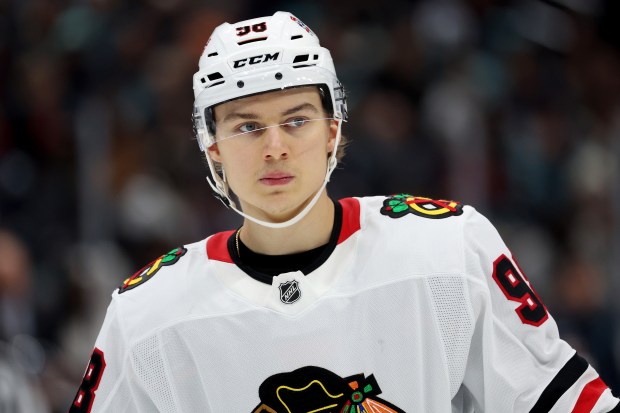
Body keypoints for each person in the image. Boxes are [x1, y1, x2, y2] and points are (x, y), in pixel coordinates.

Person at [70, 11, 619, 412]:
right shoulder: (146, 315)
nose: (275, 147)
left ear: (333, 130)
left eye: (297, 119)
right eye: (247, 126)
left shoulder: (449, 249)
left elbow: (569, 404)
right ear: (212, 147)